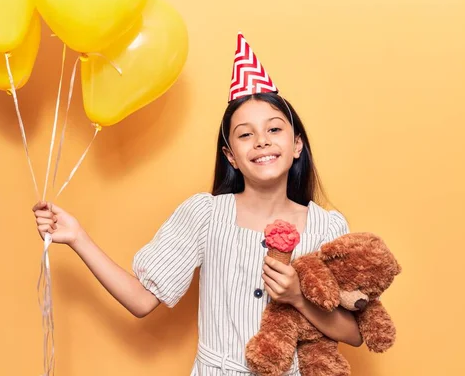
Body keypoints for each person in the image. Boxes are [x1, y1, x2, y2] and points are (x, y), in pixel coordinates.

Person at [32, 32, 362, 375]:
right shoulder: (205, 215)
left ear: (296, 145)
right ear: (231, 156)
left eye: (274, 130)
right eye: (246, 134)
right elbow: (142, 300)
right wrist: (77, 237)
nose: (262, 141)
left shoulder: (328, 227)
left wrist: (296, 296)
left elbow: (353, 333)